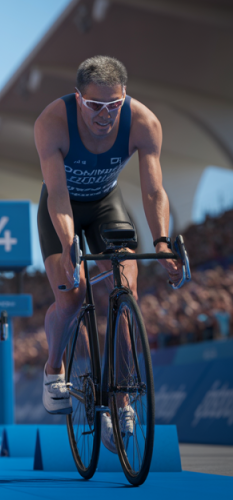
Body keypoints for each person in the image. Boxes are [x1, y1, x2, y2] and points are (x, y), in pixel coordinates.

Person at [34, 55, 184, 454]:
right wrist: (69, 249)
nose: (105, 115)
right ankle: (54, 368)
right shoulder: (52, 122)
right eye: (95, 106)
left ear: (125, 97)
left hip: (106, 204)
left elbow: (153, 191)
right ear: (78, 98)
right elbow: (59, 197)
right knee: (69, 295)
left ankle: (119, 398)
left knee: (126, 290)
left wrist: (163, 242)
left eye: (113, 105)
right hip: (62, 207)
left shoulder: (144, 122)